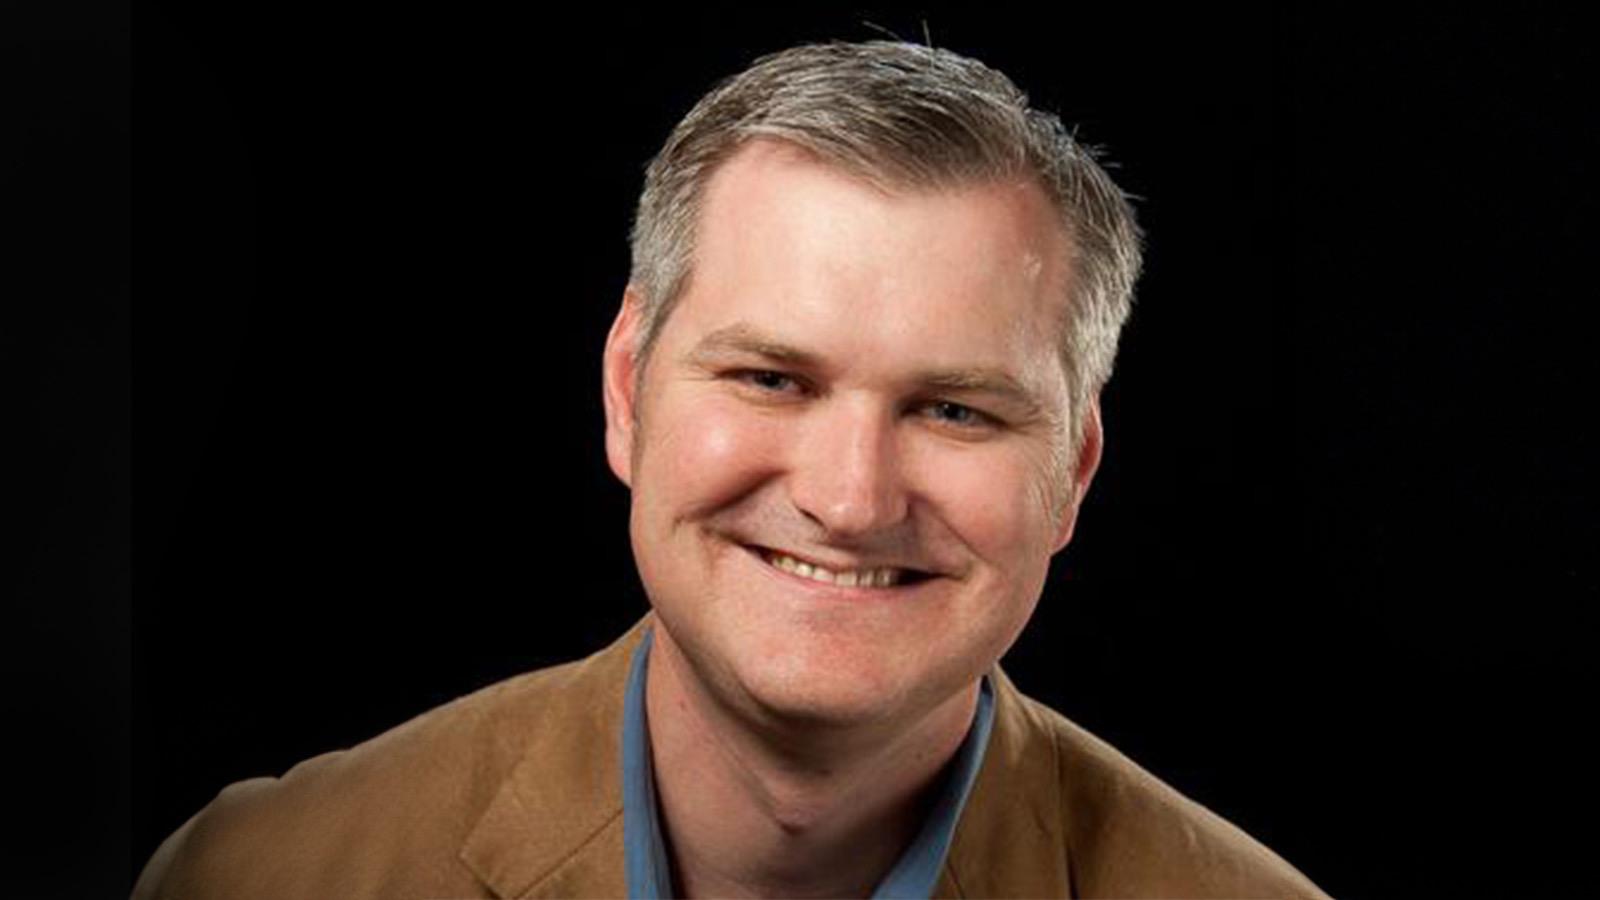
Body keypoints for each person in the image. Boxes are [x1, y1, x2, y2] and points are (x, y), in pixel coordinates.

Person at [134, 41, 1328, 899]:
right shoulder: (262, 874)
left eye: (954, 409)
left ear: (1071, 473)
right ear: (624, 389)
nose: (849, 499)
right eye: (771, 380)